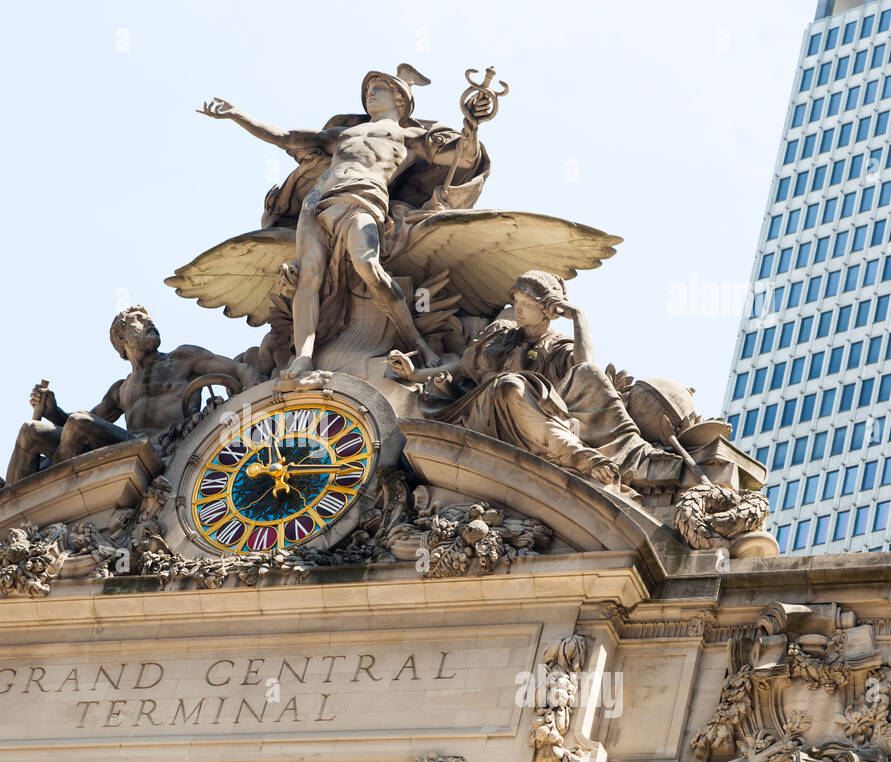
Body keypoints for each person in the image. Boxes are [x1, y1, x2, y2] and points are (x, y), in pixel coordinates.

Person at [199, 65, 490, 377]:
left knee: (370, 268)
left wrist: (471, 123)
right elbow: (285, 138)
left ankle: (416, 341)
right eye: (368, 90)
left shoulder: (409, 136)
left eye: (378, 89)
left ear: (399, 99)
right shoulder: (341, 135)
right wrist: (237, 115)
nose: (369, 94)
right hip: (318, 203)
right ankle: (304, 357)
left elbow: (464, 155)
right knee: (309, 275)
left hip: (364, 200)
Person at [387, 271, 656, 487]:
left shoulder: (557, 345)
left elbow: (584, 367)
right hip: (477, 414)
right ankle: (576, 455)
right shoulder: (500, 335)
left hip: (529, 420)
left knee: (526, 383)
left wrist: (578, 317)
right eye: (516, 303)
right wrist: (414, 374)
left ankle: (601, 452)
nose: (518, 311)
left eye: (527, 305)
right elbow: (461, 368)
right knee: (509, 384)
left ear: (549, 310)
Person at [5, 306, 258, 484]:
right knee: (30, 431)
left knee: (78, 423)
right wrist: (53, 412)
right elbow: (85, 422)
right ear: (121, 336)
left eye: (150, 320)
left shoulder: (182, 358)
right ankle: (11, 513)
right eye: (140, 319)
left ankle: (53, 491)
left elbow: (238, 370)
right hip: (126, 446)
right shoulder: (121, 389)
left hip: (162, 448)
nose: (151, 323)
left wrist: (256, 407)